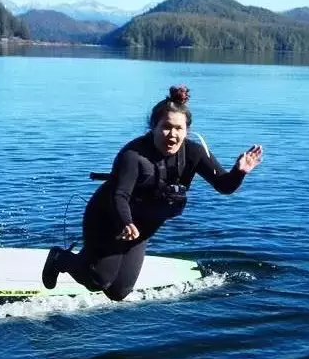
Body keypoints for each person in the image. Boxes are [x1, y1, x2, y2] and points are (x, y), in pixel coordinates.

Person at [42, 84, 263, 301]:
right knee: (98, 280)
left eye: (179, 129)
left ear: (187, 131)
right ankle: (60, 258)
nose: (172, 135)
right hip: (109, 217)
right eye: (166, 127)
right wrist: (126, 223)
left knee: (118, 293)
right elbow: (119, 195)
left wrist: (239, 171)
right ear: (153, 126)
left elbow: (224, 186)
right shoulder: (133, 155)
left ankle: (88, 260)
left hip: (143, 227)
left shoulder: (193, 153)